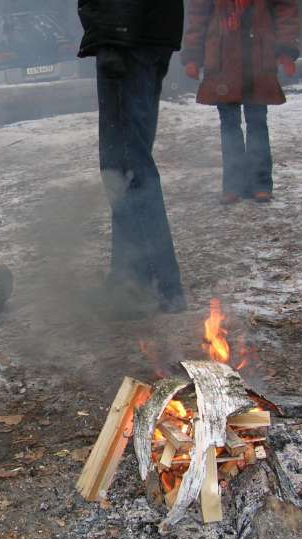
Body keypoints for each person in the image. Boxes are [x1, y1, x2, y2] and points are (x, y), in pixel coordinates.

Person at [77, 0, 187, 319]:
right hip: (145, 31)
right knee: (127, 163)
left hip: (127, 36)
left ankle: (159, 285)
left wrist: (112, 33)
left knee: (126, 168)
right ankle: (131, 279)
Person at [181, 0, 300, 205]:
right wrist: (192, 56)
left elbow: (285, 8)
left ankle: (260, 184)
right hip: (222, 58)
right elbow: (198, 15)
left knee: (257, 123)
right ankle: (233, 185)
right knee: (229, 125)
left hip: (258, 57)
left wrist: (286, 50)